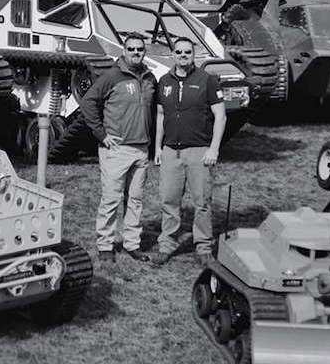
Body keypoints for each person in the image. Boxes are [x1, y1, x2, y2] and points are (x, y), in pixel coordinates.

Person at [81, 33, 157, 263]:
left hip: (141, 148)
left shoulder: (149, 77)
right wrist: (101, 134)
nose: (136, 52)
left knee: (135, 199)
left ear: (144, 52)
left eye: (140, 49)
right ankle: (105, 245)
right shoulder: (112, 76)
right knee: (111, 199)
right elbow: (88, 102)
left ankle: (132, 244)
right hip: (117, 149)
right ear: (123, 51)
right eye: (131, 49)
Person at [152, 37, 226, 266]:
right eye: (179, 52)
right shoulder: (163, 81)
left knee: (202, 201)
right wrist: (157, 147)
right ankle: (167, 245)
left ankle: (203, 246)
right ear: (172, 55)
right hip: (170, 152)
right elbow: (161, 115)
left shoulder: (208, 81)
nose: (183, 55)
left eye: (187, 52)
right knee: (169, 200)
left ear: (194, 55)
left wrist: (213, 148)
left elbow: (220, 116)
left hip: (199, 151)